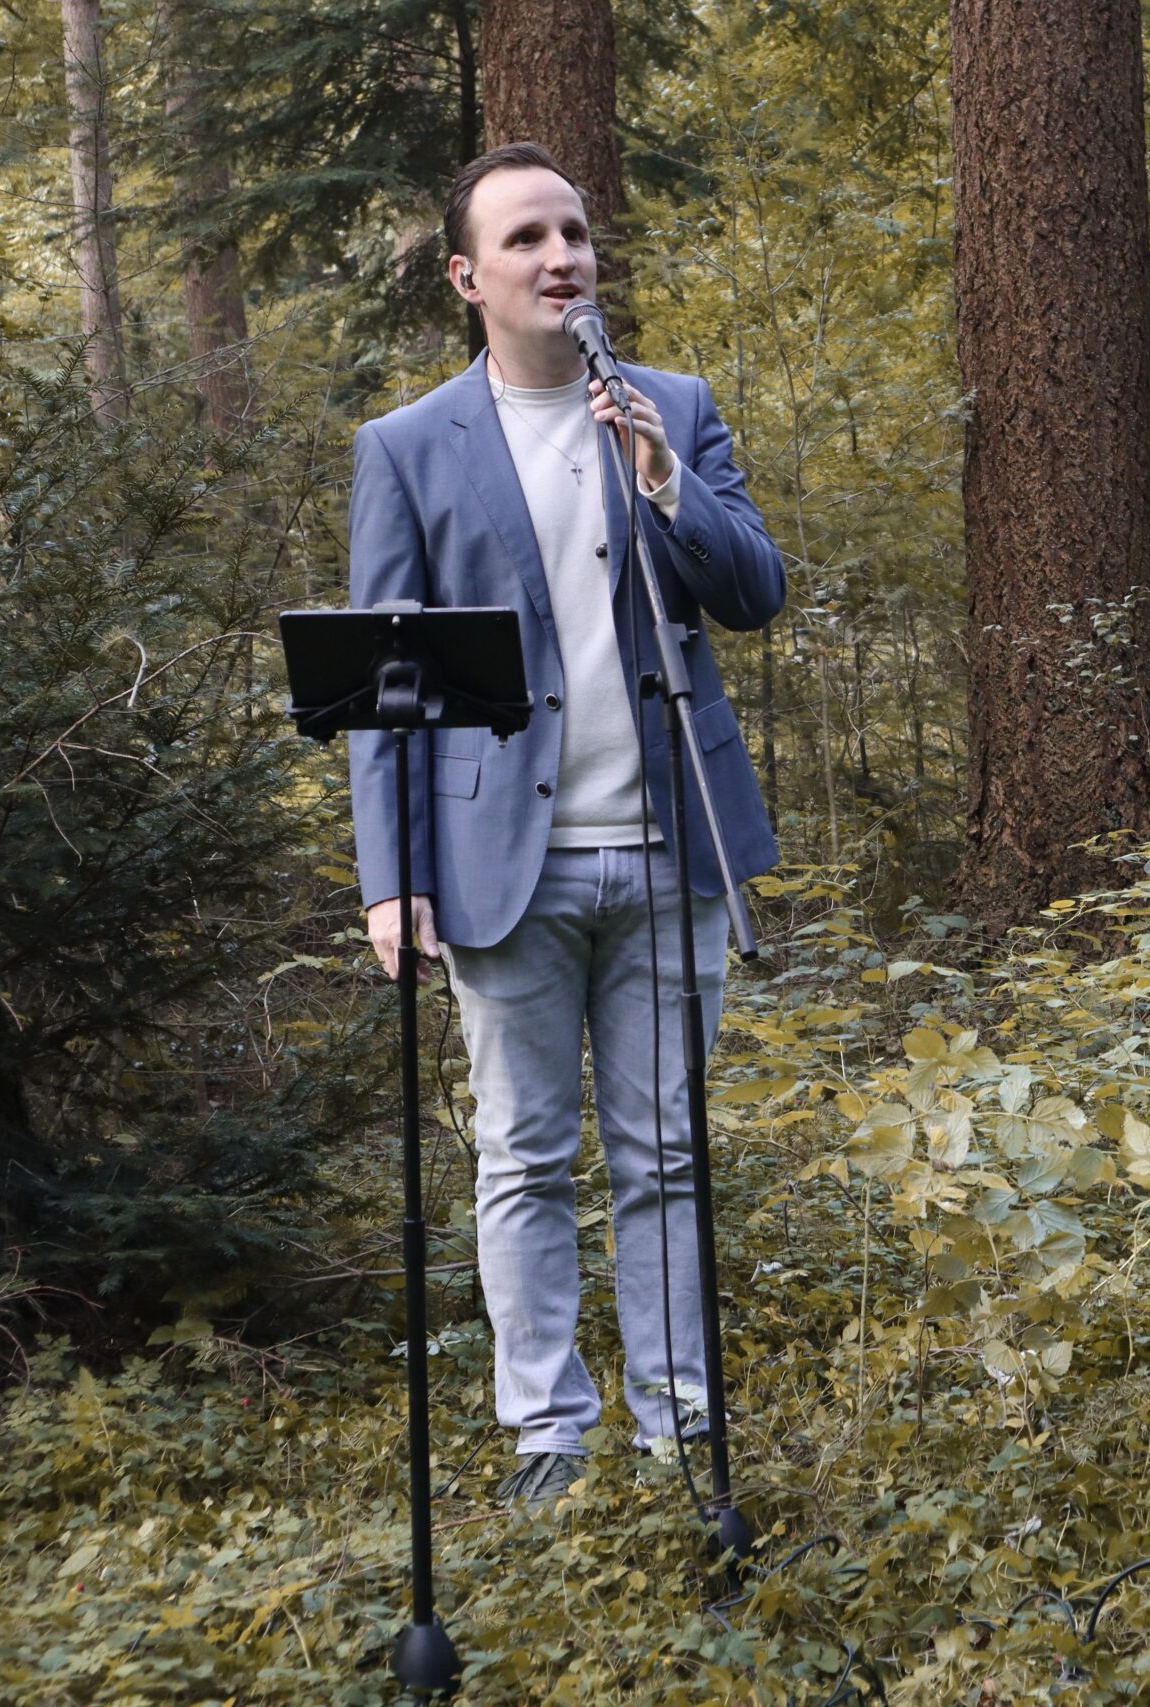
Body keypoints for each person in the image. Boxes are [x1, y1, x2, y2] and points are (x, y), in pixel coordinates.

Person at [347, 143, 787, 1511]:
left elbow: (756, 591)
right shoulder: (410, 448)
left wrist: (665, 482)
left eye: (577, 232)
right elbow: (381, 692)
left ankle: (681, 1426)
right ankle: (550, 1431)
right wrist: (391, 875)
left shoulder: (674, 407)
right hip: (500, 866)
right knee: (524, 1157)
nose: (562, 256)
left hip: (669, 849)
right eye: (528, 237)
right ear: (473, 278)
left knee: (666, 1155)